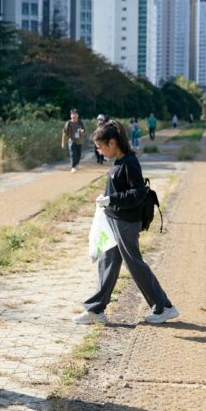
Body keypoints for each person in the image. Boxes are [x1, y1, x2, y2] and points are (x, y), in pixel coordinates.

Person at [74, 120, 178, 325]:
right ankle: (96, 310)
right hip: (113, 220)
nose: (100, 151)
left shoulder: (129, 162)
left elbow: (137, 193)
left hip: (126, 223)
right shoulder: (119, 162)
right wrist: (106, 201)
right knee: (108, 263)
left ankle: (164, 307)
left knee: (135, 264)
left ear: (112, 143)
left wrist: (111, 199)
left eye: (101, 147)